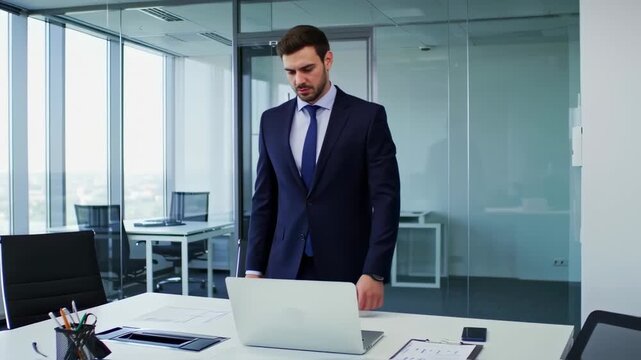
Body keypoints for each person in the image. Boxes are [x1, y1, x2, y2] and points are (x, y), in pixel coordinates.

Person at [245, 25, 400, 311]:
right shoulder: (271, 121)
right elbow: (264, 200)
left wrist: (375, 270)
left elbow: (386, 201)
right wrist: (253, 268)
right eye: (290, 72)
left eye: (307, 68)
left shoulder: (367, 118)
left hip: (347, 267)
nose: (299, 80)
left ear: (327, 60)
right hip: (283, 265)